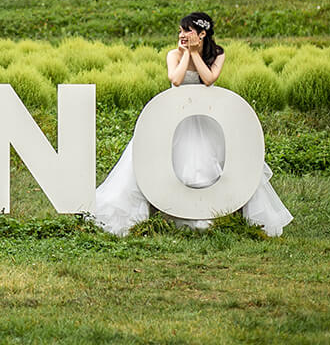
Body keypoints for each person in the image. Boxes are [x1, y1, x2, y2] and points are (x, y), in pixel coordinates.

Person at [91, 12, 292, 237]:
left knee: (207, 162)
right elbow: (176, 80)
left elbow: (208, 79)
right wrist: (187, 53)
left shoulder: (218, 54)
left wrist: (196, 54)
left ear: (202, 34)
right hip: (174, 117)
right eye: (180, 31)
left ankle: (213, 213)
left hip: (205, 119)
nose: (182, 35)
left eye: (187, 31)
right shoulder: (173, 55)